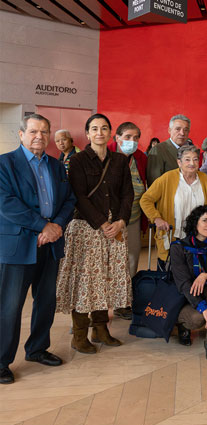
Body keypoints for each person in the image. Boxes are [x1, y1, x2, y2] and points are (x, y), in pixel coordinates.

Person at [0, 114, 76, 385]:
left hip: (50, 245)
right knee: (9, 306)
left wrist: (55, 226)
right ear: (21, 134)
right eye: (33, 131)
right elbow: (6, 203)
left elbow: (69, 199)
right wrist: (42, 226)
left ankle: (37, 349)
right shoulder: (4, 164)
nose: (39, 137)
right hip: (18, 246)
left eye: (44, 132)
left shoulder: (56, 166)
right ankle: (1, 361)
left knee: (46, 300)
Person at [56, 113, 134, 354]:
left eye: (104, 128)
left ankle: (101, 329)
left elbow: (127, 194)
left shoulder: (120, 161)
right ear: (87, 134)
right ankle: (79, 335)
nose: (99, 132)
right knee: (85, 281)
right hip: (86, 229)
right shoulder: (78, 161)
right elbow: (78, 196)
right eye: (94, 129)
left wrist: (120, 221)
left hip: (115, 230)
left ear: (110, 133)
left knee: (107, 279)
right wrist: (102, 223)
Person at [140, 144, 207, 264]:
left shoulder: (203, 178)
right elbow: (146, 199)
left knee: (195, 270)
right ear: (179, 162)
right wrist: (156, 218)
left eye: (195, 159)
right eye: (187, 159)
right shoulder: (167, 178)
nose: (192, 163)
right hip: (174, 235)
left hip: (198, 236)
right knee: (172, 272)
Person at [169, 206, 207, 360]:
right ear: (195, 223)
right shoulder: (178, 248)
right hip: (184, 298)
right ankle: (182, 324)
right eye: (205, 220)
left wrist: (205, 276)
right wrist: (205, 310)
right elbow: (183, 285)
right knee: (197, 319)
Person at [107, 122, 148, 320]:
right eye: (127, 137)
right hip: (108, 220)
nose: (132, 142)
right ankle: (99, 306)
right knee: (106, 261)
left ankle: (123, 303)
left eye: (136, 138)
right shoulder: (105, 154)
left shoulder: (140, 158)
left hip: (133, 217)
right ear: (117, 138)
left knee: (131, 259)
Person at [146, 114, 191, 186]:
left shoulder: (190, 150)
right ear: (169, 130)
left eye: (186, 130)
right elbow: (154, 183)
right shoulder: (158, 150)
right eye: (178, 129)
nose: (182, 133)